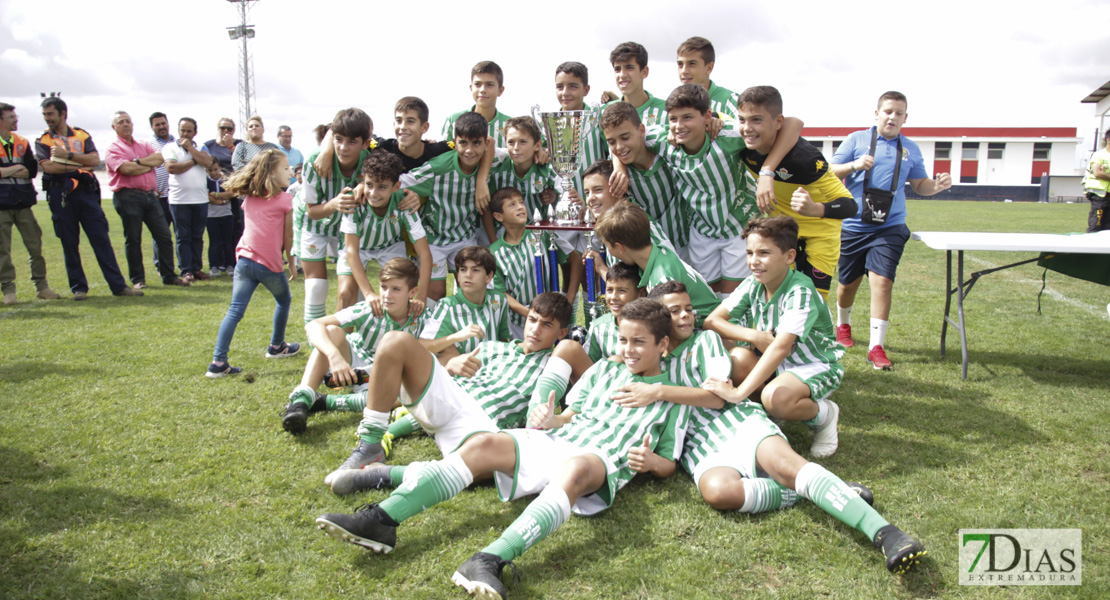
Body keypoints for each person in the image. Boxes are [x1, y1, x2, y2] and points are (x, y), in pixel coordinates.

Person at [314, 299, 687, 600]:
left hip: (598, 460)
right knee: (485, 443)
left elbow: (669, 462)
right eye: (623, 340)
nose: (628, 349)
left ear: (663, 345)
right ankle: (381, 520)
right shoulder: (604, 369)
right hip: (560, 441)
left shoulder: (673, 398)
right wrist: (550, 417)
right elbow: (573, 414)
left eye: (639, 342)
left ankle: (489, 559)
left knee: (575, 468)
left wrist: (653, 462)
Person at [643, 285, 925, 576]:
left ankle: (885, 533)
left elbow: (717, 398)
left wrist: (660, 391)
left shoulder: (706, 342)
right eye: (675, 311)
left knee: (785, 466)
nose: (687, 316)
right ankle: (821, 491)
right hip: (698, 442)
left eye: (688, 308)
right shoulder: (650, 359)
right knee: (719, 492)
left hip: (737, 420)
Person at [318, 293, 583, 481]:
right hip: (450, 400)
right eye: (532, 319)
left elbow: (588, 379)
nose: (535, 330)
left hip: (479, 427)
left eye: (546, 325)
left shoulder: (553, 364)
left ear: (561, 334)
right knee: (394, 341)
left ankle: (384, 474)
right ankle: (370, 445)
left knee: (481, 467)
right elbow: (453, 375)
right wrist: (451, 365)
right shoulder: (493, 347)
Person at [626, 84, 802, 293]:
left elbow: (793, 123)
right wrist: (619, 167)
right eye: (673, 119)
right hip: (702, 230)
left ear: (707, 116)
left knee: (732, 297)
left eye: (688, 117)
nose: (679, 125)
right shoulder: (664, 140)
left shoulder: (727, 136)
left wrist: (767, 172)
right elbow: (625, 139)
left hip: (738, 226)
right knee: (707, 295)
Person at [830, 91, 952, 370]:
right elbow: (829, 171)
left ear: (905, 118)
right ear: (877, 113)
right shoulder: (856, 140)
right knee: (848, 283)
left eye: (898, 113)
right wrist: (854, 165)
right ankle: (843, 324)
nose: (892, 117)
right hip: (854, 225)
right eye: (887, 111)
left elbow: (921, 185)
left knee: (883, 281)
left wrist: (938, 185)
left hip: (891, 226)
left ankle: (876, 347)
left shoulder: (910, 148)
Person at [703, 216, 843, 457]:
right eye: (749, 253)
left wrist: (737, 393)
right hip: (778, 366)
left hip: (814, 365)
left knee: (775, 397)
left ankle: (824, 414)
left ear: (789, 257)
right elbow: (712, 321)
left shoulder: (800, 290)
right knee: (736, 359)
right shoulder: (753, 284)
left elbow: (780, 348)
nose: (754, 262)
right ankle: (771, 416)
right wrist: (755, 336)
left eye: (764, 253)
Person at [736, 86, 857, 302]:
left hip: (821, 233)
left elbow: (850, 205)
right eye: (742, 120)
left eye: (756, 120)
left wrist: (815, 209)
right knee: (776, 295)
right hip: (783, 233)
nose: (747, 128)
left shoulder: (805, 160)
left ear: (778, 122)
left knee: (812, 301)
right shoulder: (743, 145)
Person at [282, 257, 425, 434]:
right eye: (383, 287)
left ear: (412, 292)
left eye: (396, 289)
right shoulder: (370, 309)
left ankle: (325, 402)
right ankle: (299, 403)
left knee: (410, 389)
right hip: (354, 360)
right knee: (333, 331)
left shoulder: (421, 317)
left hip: (387, 373)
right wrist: (335, 357)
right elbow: (313, 325)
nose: (387, 295)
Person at [35, 96, 140, 300]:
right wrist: (79, 165)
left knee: (101, 239)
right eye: (44, 115)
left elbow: (93, 160)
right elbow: (48, 166)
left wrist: (68, 156)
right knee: (69, 242)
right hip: (61, 193)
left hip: (86, 193)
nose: (47, 118)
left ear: (62, 113)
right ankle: (79, 288)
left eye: (50, 114)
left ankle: (118, 286)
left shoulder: (82, 135)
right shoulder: (43, 140)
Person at [206, 149, 299, 378]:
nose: (291, 172)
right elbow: (288, 237)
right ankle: (277, 346)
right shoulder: (286, 200)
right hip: (268, 265)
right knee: (284, 299)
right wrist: (292, 263)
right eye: (285, 169)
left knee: (235, 310)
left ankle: (218, 363)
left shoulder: (249, 199)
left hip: (244, 263)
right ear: (271, 173)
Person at [400, 112, 508, 301]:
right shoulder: (438, 167)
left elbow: (518, 154)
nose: (469, 150)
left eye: (477, 143)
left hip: (465, 237)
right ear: (454, 142)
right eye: (463, 143)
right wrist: (410, 194)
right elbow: (400, 182)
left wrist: (541, 152)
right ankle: (431, 329)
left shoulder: (493, 158)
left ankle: (467, 328)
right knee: (436, 293)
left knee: (472, 290)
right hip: (434, 238)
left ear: (485, 143)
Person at [594, 201, 719, 326]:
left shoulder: (663, 278)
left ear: (620, 248)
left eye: (607, 246)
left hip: (706, 332)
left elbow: (670, 330)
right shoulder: (656, 253)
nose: (608, 250)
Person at [337, 151, 431, 314]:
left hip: (390, 247)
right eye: (369, 184)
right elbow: (351, 251)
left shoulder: (404, 201)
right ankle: (343, 337)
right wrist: (368, 293)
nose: (373, 193)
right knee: (346, 292)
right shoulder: (354, 201)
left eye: (382, 187)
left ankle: (397, 335)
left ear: (396, 187)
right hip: (358, 249)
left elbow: (424, 253)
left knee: (400, 292)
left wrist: (421, 297)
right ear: (363, 180)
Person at [302, 108, 372, 322]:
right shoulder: (314, 161)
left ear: (365, 144)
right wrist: (333, 204)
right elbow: (311, 212)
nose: (343, 147)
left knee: (351, 290)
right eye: (339, 139)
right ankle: (317, 347)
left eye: (352, 142)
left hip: (348, 231)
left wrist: (364, 185)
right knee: (315, 287)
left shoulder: (369, 163)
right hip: (316, 226)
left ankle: (352, 342)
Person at [104, 111, 185, 289]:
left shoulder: (143, 144)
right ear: (114, 127)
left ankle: (169, 276)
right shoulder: (113, 148)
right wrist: (146, 166)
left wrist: (138, 162)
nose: (125, 124)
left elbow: (159, 159)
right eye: (121, 122)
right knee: (133, 239)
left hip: (150, 196)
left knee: (164, 236)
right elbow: (126, 169)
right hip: (128, 197)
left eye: (128, 121)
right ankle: (138, 279)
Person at [600, 102, 688, 259]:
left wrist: (715, 120)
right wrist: (619, 166)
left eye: (625, 138)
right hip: (650, 251)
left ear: (641, 130)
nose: (619, 147)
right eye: (612, 142)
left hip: (686, 242)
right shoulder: (617, 169)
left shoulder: (665, 142)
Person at [488, 187, 574, 338]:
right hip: (519, 323)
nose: (520, 206)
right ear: (498, 216)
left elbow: (576, 261)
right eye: (512, 204)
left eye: (521, 202)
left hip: (550, 317)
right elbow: (501, 292)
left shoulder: (542, 234)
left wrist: (569, 297)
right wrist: (529, 314)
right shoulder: (494, 252)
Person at [0, 102, 62, 304]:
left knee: (35, 246)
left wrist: (9, 168)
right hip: (2, 205)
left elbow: (31, 170)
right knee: (3, 250)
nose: (16, 120)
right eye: (11, 117)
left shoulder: (22, 142)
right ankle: (8, 290)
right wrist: (17, 167)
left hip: (23, 202)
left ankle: (42, 287)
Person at [419, 246, 511, 359]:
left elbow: (503, 340)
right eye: (463, 269)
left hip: (491, 369)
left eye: (475, 270)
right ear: (457, 276)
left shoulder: (499, 300)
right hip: (460, 372)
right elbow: (422, 346)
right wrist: (456, 337)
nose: (468, 275)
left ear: (489, 276)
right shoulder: (447, 306)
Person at [163, 118, 216, 283]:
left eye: (189, 131)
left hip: (200, 199)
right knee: (183, 236)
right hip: (179, 200)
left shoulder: (201, 147)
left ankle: (196, 268)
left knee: (197, 236)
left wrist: (190, 150)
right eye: (182, 130)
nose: (185, 134)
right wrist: (194, 161)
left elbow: (208, 162)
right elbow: (172, 168)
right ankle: (186, 270)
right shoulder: (170, 147)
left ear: (195, 132)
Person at [441, 61, 511, 148]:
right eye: (477, 84)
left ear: (500, 90)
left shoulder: (510, 125)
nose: (482, 90)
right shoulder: (453, 120)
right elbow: (444, 155)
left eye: (489, 85)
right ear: (471, 88)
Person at [583, 261, 642, 362]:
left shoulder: (650, 327)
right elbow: (587, 365)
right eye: (609, 290)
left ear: (641, 293)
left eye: (622, 291)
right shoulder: (598, 327)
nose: (614, 297)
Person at [203, 117, 243, 258]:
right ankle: (218, 262)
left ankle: (233, 259)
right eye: (222, 128)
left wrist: (231, 146)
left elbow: (245, 164)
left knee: (237, 227)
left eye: (229, 128)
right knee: (216, 230)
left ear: (234, 130)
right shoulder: (209, 146)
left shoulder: (239, 144)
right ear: (217, 129)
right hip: (215, 189)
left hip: (236, 191)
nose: (225, 131)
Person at [604, 41, 667, 127]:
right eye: (617, 69)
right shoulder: (604, 112)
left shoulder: (667, 110)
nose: (622, 75)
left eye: (629, 68)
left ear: (644, 72)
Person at [676, 36, 740, 120]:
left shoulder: (731, 100)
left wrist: (721, 122)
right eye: (680, 64)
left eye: (692, 64)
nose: (684, 71)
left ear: (709, 68)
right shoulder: (675, 104)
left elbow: (750, 129)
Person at [148, 112, 176, 275]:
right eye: (157, 124)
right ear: (152, 127)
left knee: (180, 235)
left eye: (163, 123)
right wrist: (151, 186)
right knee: (160, 233)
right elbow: (145, 167)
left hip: (178, 197)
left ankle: (183, 266)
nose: (161, 127)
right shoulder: (149, 145)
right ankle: (161, 266)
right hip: (159, 197)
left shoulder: (177, 142)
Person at [1082, 129, 1110, 232]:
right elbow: (1097, 173)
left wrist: (1105, 174)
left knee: (1107, 228)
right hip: (1099, 194)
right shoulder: (1099, 155)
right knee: (1095, 225)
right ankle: (1090, 246)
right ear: (1108, 140)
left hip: (1109, 194)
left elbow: (1102, 174)